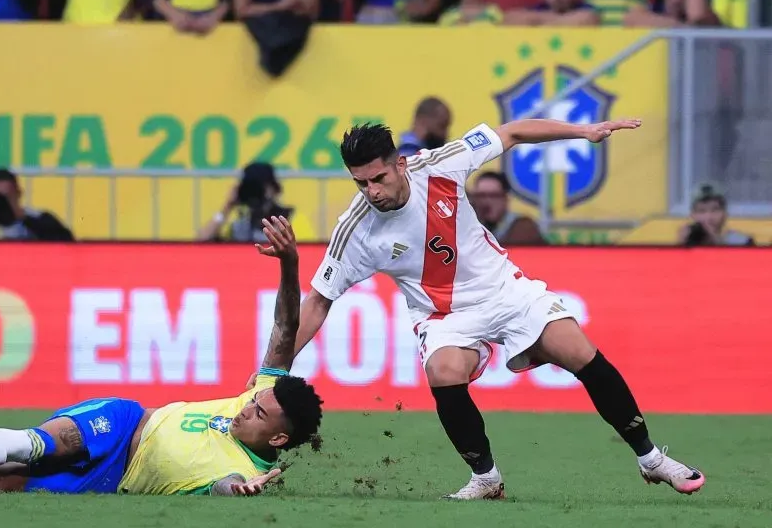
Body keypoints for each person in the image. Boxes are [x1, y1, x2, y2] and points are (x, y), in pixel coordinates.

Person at [277, 119, 704, 499]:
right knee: (443, 371)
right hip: (444, 315)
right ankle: (486, 478)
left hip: (504, 290)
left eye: (378, 178)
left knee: (579, 351)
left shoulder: (441, 164)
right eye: (360, 183)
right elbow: (318, 300)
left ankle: (651, 460)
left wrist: (585, 132)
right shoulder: (357, 229)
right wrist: (273, 369)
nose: (372, 192)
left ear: (400, 164)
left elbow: (513, 131)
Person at [0, 217, 323, 499]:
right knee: (38, 446)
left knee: (6, 478)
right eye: (254, 399)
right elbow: (283, 327)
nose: (245, 407)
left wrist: (241, 493)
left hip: (114, 480)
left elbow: (227, 488)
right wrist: (290, 264)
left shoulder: (240, 469)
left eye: (258, 413)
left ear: (278, 439)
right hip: (126, 422)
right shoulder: (260, 394)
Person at [197, 162, 315, 243]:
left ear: (273, 188)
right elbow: (202, 240)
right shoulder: (240, 226)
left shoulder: (292, 219)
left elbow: (305, 254)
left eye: (259, 189)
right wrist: (227, 207)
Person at [0, 168, 73, 241]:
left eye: (5, 197)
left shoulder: (39, 218)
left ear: (18, 194)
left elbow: (66, 241)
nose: (0, 203)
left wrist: (22, 216)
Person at [469, 170, 546, 246]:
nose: (486, 201)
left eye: (493, 196)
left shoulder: (524, 226)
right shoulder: (471, 225)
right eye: (481, 196)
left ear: (505, 199)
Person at [677, 183, 755, 247]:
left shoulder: (741, 242)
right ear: (692, 215)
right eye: (702, 211)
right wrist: (681, 247)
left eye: (715, 210)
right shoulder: (690, 240)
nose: (709, 217)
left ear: (725, 213)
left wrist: (717, 243)